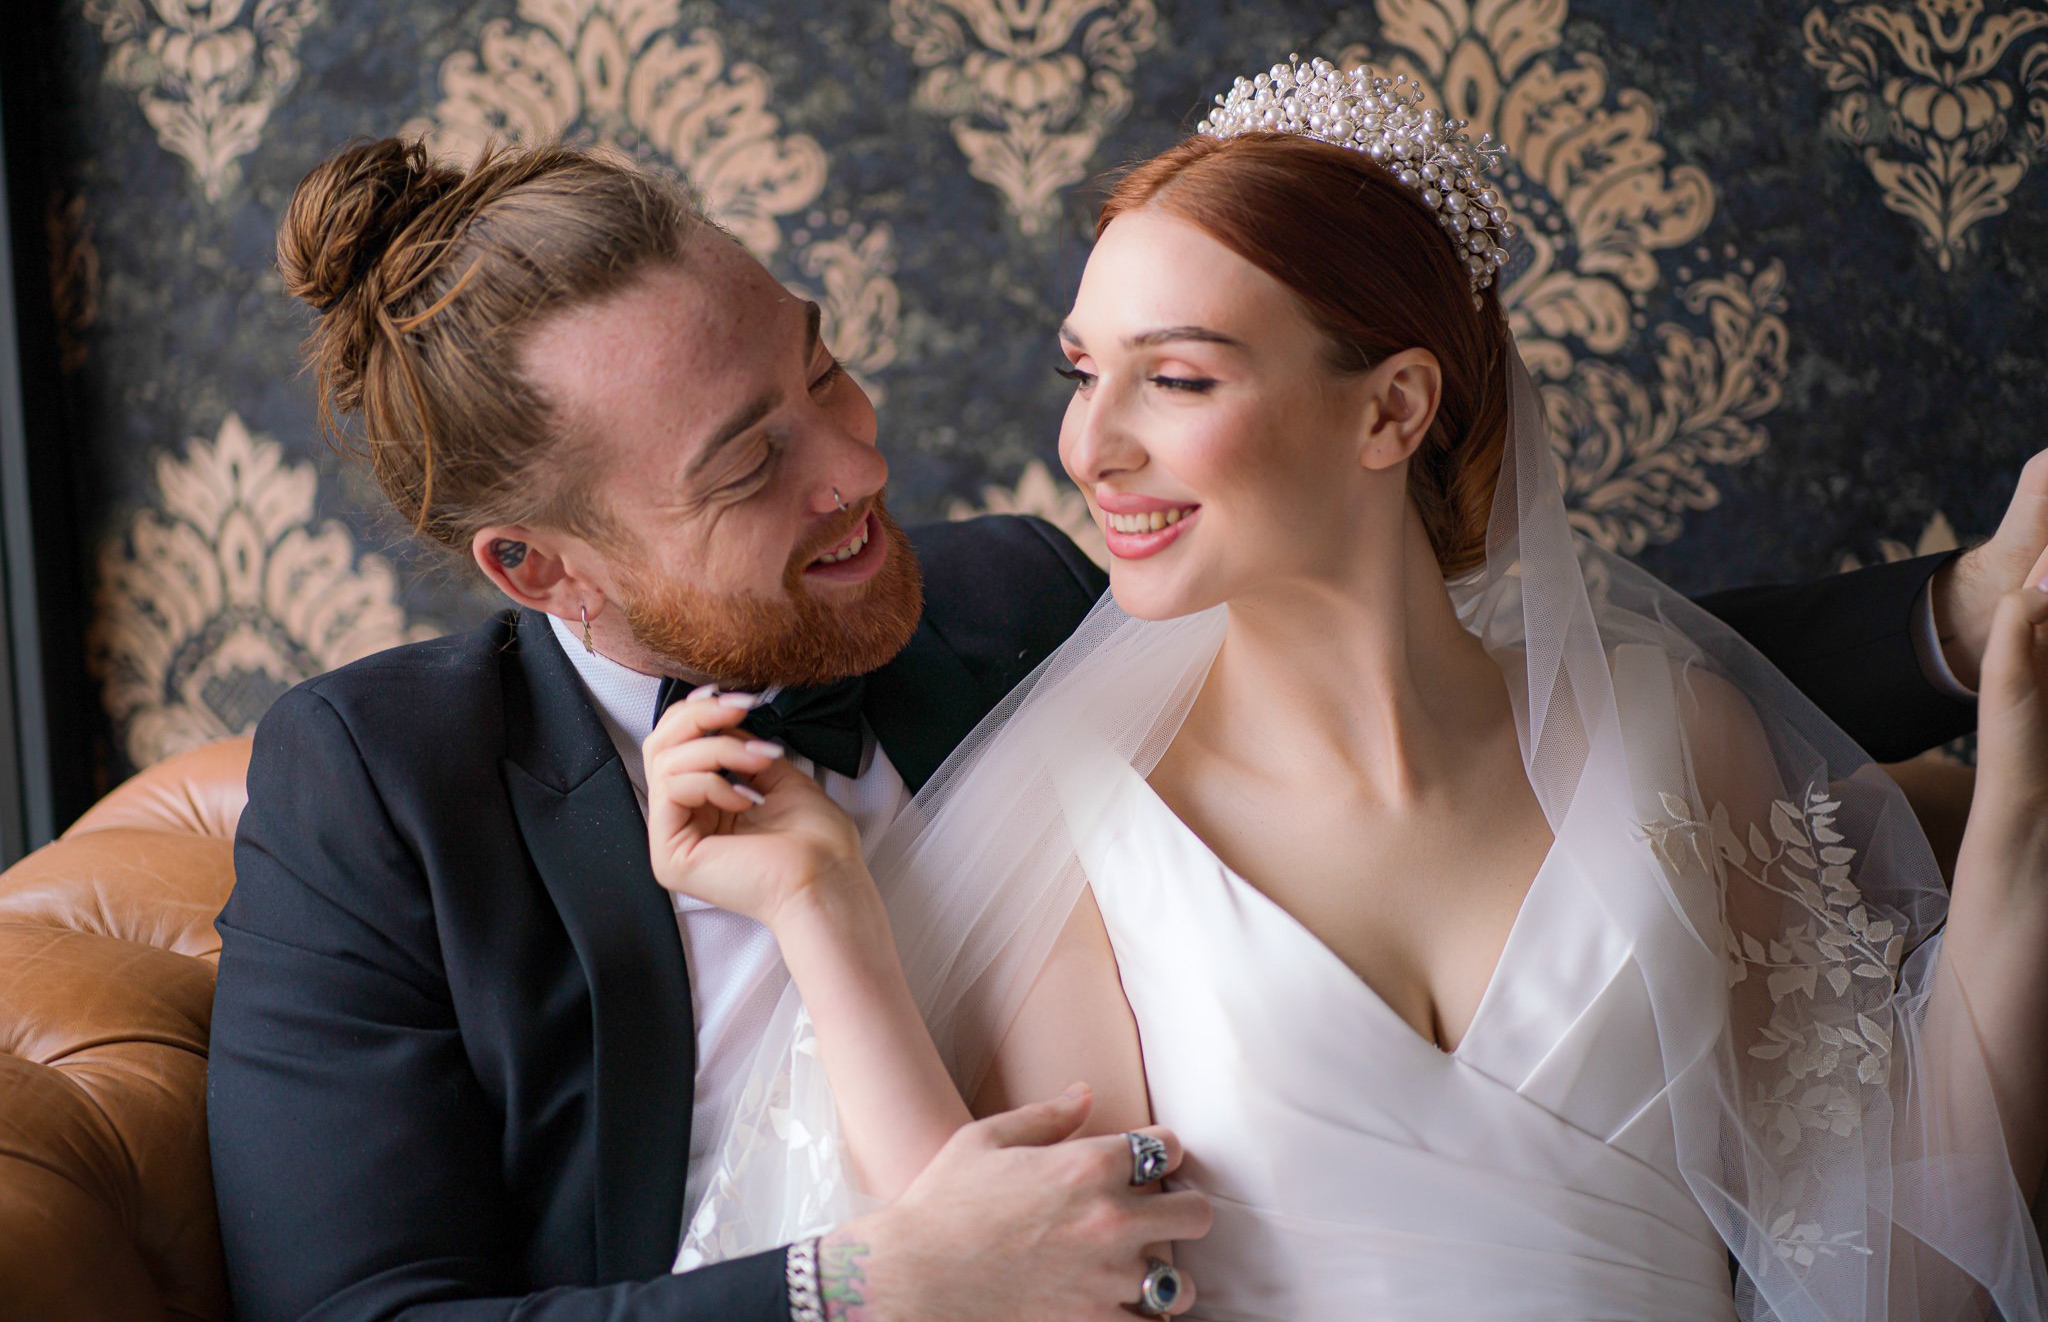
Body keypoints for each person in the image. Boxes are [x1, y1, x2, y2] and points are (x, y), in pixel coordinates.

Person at [212, 117, 2033, 1319]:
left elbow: (1471, 659)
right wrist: (858, 1285)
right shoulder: (378, 787)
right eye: (754, 462)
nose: (860, 466)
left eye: (824, 367)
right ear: (542, 567)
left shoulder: (1018, 601)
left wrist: (1964, 626)